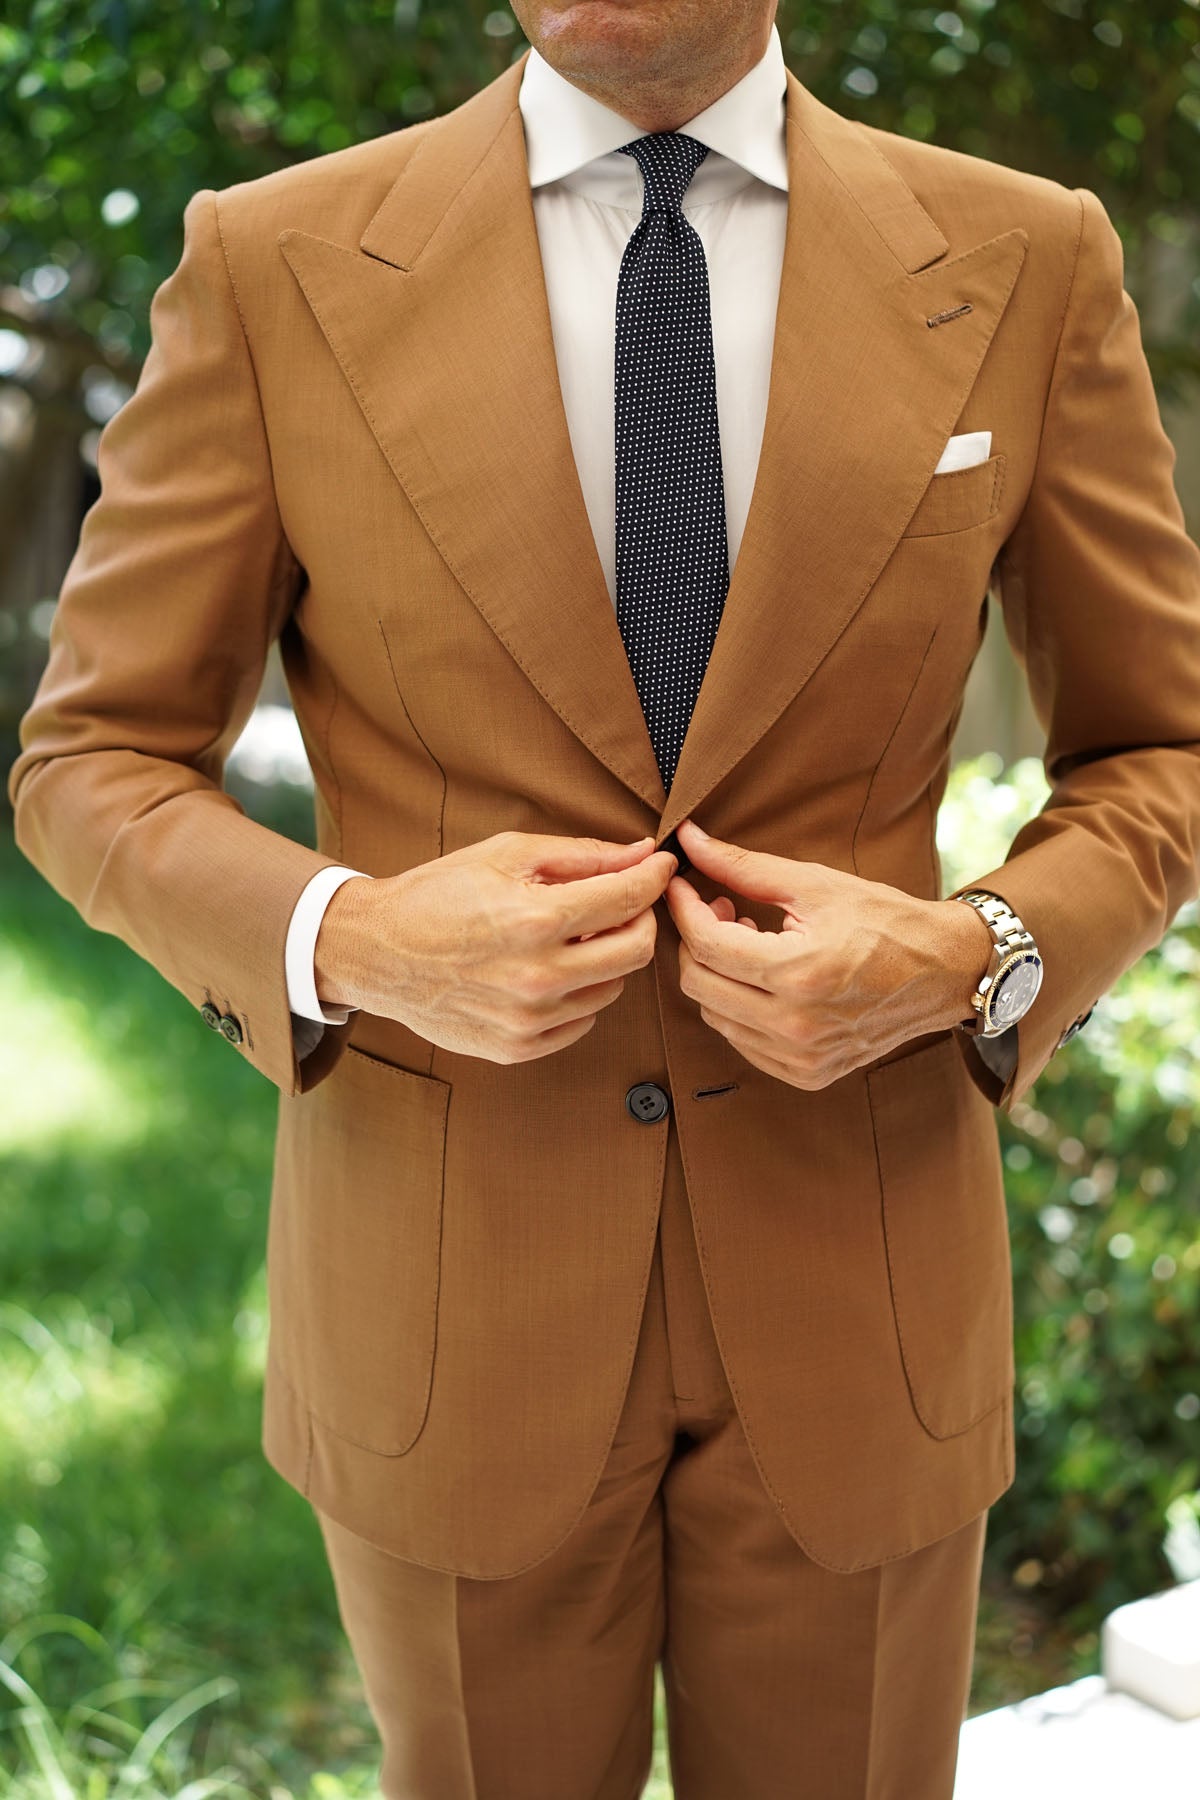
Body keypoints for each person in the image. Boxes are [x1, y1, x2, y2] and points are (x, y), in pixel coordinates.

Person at [11, 0, 1200, 1793]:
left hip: (864, 1273)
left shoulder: (1030, 258)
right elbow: (89, 764)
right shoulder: (270, 263)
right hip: (448, 1295)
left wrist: (981, 955)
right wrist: (356, 939)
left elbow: (1161, 753)